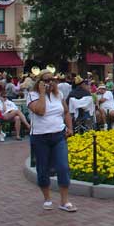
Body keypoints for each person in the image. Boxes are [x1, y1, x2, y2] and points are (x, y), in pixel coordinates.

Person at [27, 69, 76, 213]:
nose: (50, 83)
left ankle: (64, 200)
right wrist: (42, 93)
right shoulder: (32, 95)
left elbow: (66, 111)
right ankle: (47, 198)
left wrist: (70, 127)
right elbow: (40, 111)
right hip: (40, 137)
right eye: (46, 80)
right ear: (40, 82)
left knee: (63, 167)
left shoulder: (58, 94)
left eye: (52, 80)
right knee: (43, 169)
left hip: (58, 135)